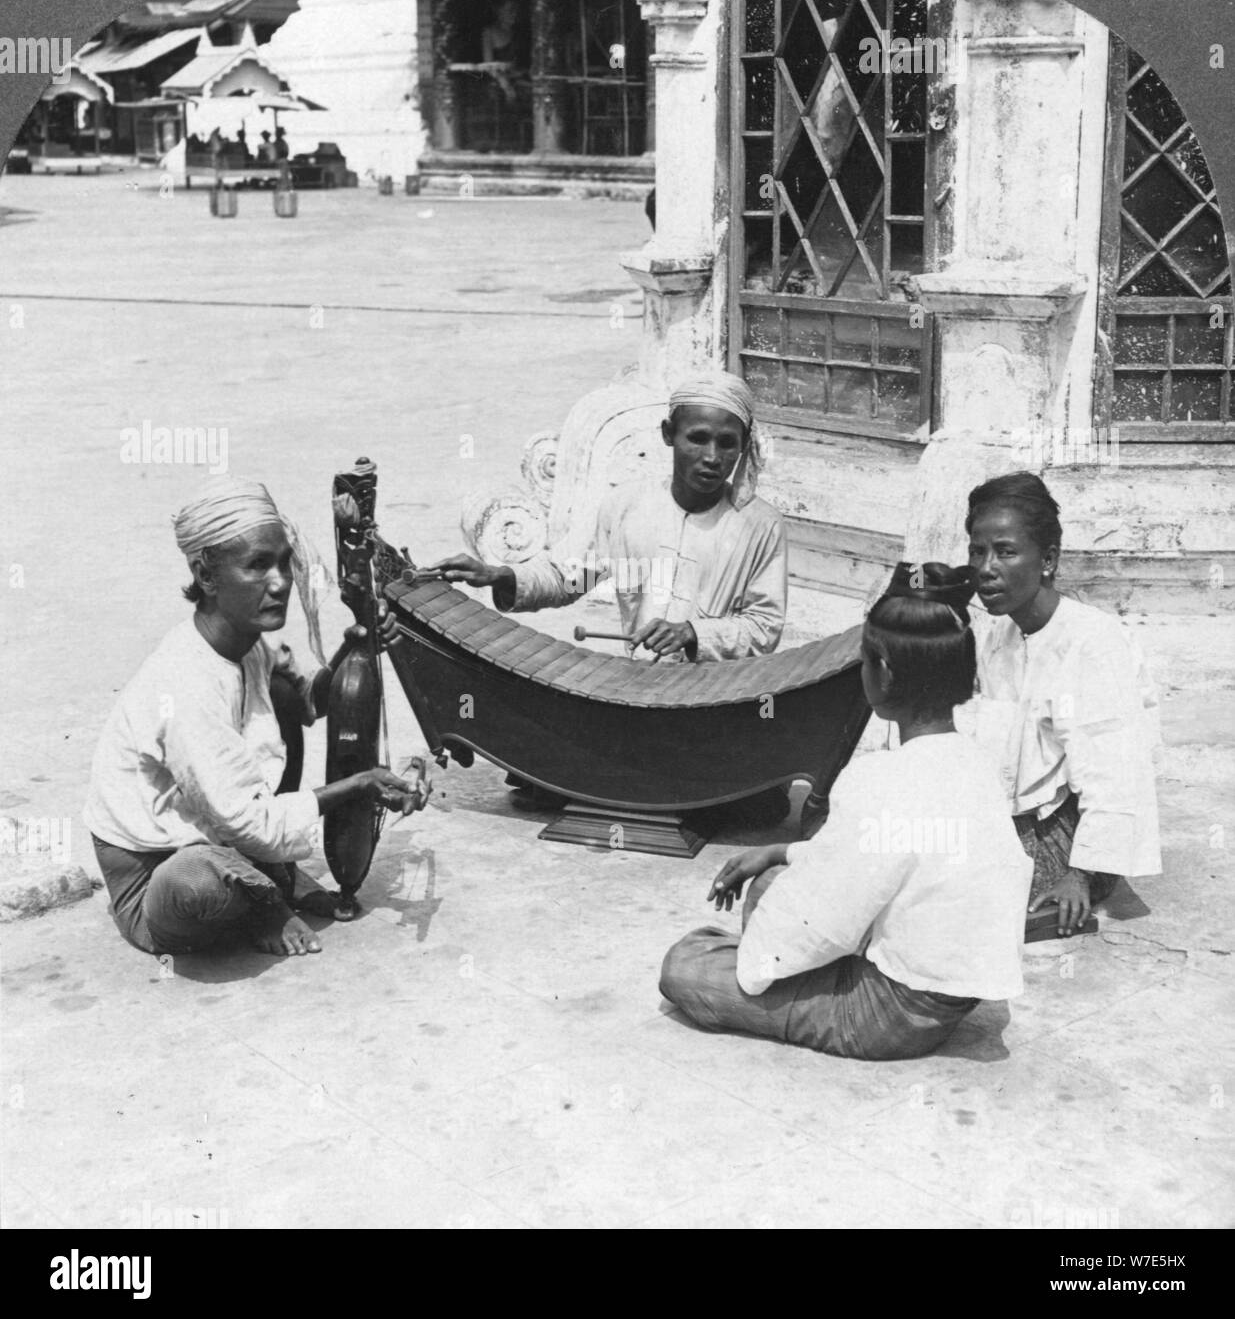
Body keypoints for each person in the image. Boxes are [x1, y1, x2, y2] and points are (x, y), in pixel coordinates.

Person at [658, 562, 1032, 1060]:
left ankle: (758, 970)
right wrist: (783, 852)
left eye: (864, 661)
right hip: (953, 992)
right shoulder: (976, 763)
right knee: (773, 884)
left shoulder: (879, 778)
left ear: (885, 674)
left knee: (686, 966)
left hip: (896, 1012)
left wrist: (757, 959)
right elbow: (883, 852)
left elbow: (826, 916)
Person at [84, 478, 426, 959]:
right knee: (198, 884)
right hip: (154, 869)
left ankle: (267, 878)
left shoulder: (250, 645)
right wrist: (360, 785)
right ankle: (264, 898)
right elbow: (247, 822)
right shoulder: (184, 682)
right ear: (206, 576)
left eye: (284, 561)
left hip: (224, 830)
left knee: (284, 690)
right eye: (258, 565)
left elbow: (310, 701)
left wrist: (359, 644)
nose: (281, 581)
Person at [433, 371, 789, 817]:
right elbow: (570, 577)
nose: (712, 457)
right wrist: (501, 575)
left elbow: (764, 626)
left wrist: (694, 633)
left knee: (762, 798)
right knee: (531, 747)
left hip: (716, 698)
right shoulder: (626, 506)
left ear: (742, 445)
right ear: (668, 435)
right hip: (638, 690)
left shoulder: (762, 525)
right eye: (697, 439)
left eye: (727, 443)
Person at [962, 472, 1160, 937]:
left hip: (1071, 831)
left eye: (1006, 552)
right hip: (1013, 813)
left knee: (966, 899)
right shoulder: (998, 630)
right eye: (977, 551)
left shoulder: (1094, 642)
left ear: (1047, 560)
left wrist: (1082, 874)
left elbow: (1117, 770)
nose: (987, 567)